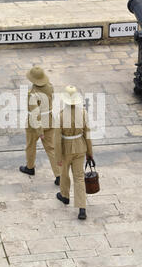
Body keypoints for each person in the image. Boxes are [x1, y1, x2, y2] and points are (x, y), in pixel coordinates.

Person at [54, 85, 93, 220]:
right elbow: (87, 133)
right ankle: (82, 208)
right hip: (80, 147)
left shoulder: (60, 115)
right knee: (79, 177)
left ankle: (65, 196)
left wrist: (58, 156)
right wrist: (90, 152)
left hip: (65, 149)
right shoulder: (83, 112)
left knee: (64, 173)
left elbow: (57, 139)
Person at [19, 66, 60, 185]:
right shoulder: (50, 87)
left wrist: (40, 131)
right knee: (51, 148)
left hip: (35, 125)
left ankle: (30, 167)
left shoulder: (32, 94)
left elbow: (34, 115)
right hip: (50, 121)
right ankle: (59, 175)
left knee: (30, 146)